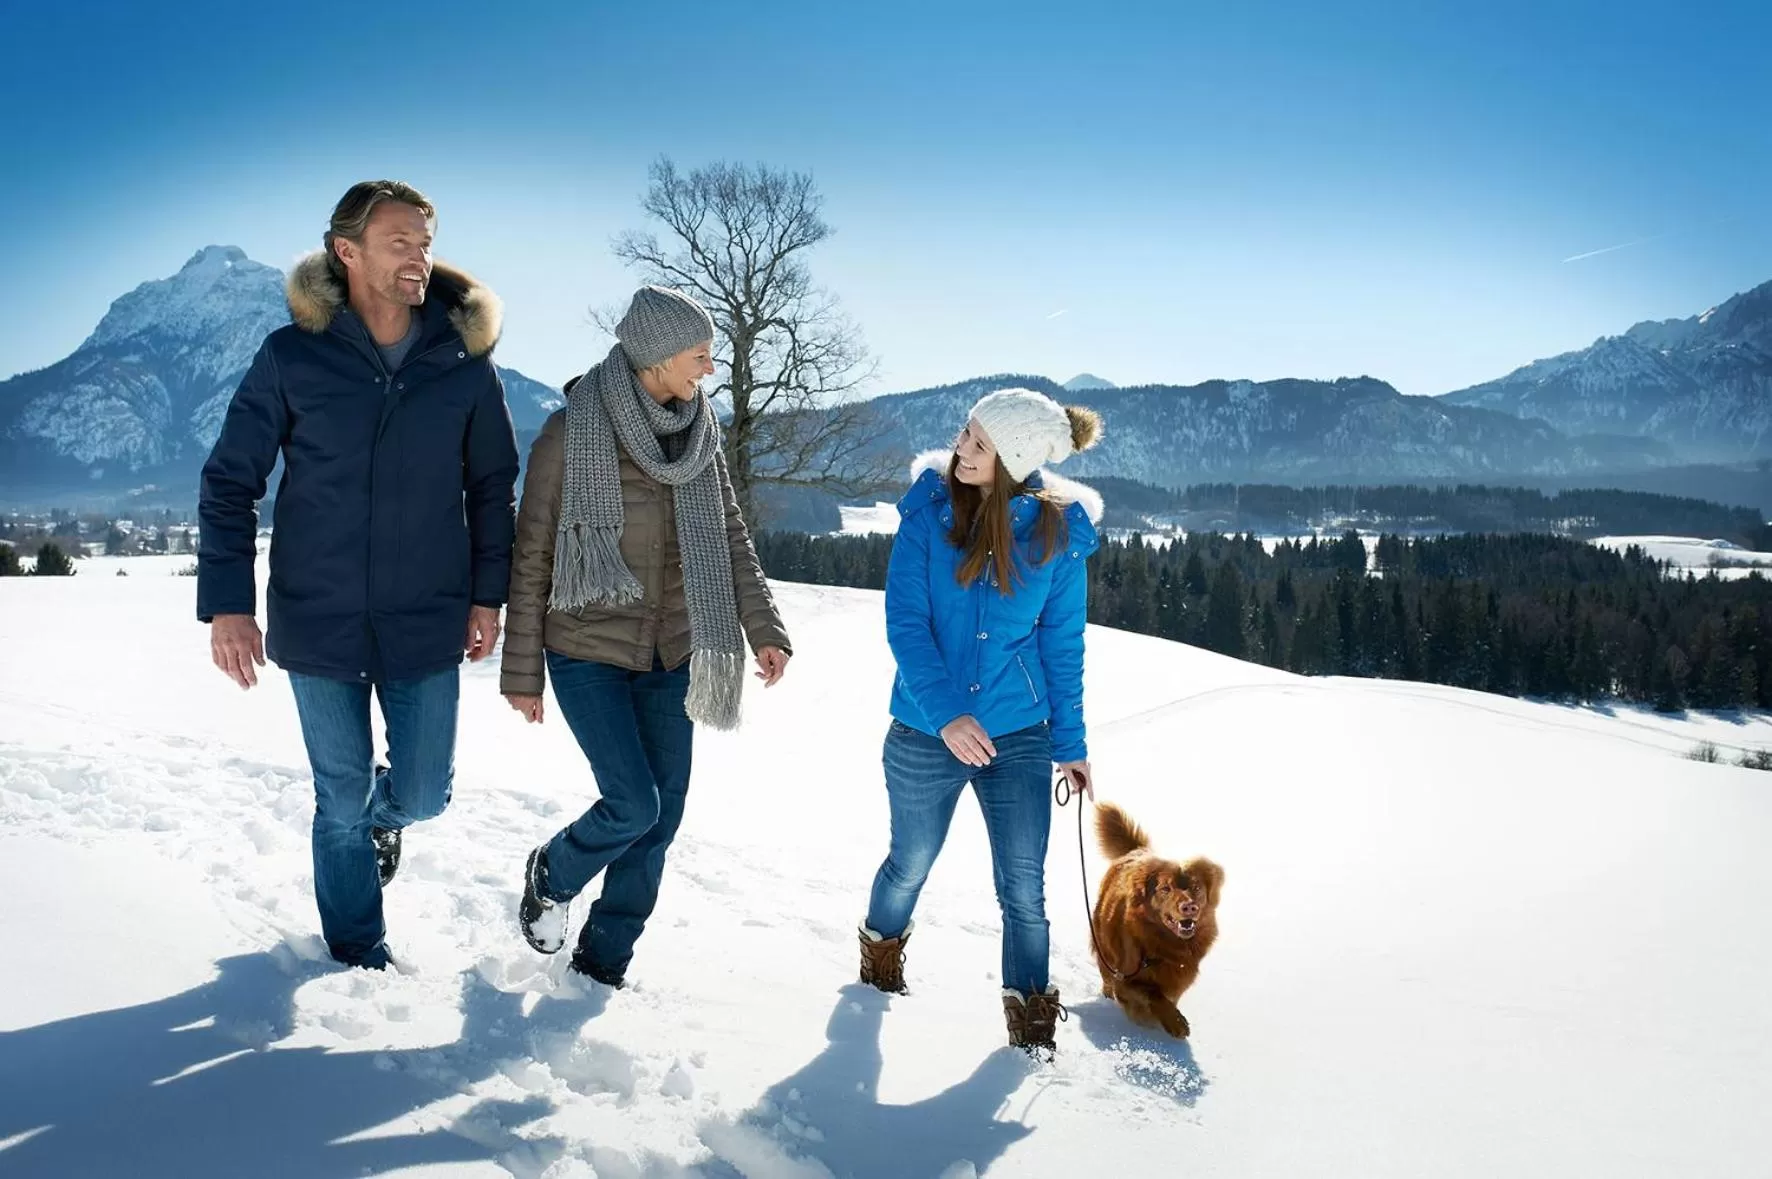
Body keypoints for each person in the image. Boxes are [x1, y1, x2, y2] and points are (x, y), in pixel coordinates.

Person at [197, 180, 519, 970]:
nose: (420, 256)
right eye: (400, 241)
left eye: (425, 241)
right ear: (348, 252)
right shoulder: (291, 356)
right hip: (319, 616)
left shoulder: (465, 365)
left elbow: (491, 487)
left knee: (423, 796)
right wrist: (228, 606)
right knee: (336, 800)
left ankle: (388, 818)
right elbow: (230, 481)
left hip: (426, 617)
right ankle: (355, 949)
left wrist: (487, 595)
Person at [500, 285, 791, 988]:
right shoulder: (571, 433)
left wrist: (764, 628)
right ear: (658, 355)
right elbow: (533, 550)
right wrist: (522, 672)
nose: (709, 369)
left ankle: (603, 962)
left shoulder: (701, 435)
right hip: (587, 650)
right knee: (634, 803)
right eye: (700, 354)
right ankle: (553, 871)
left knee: (660, 822)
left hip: (675, 652)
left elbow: (728, 535)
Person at [857, 387, 1103, 1054]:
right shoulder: (927, 515)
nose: (959, 451)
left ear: (1016, 460)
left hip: (1018, 734)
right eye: (965, 433)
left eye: (979, 445)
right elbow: (906, 626)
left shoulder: (1056, 538)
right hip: (923, 728)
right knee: (909, 862)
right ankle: (879, 950)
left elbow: (1062, 646)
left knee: (1024, 885)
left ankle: (1031, 1016)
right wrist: (947, 716)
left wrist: (1071, 745)